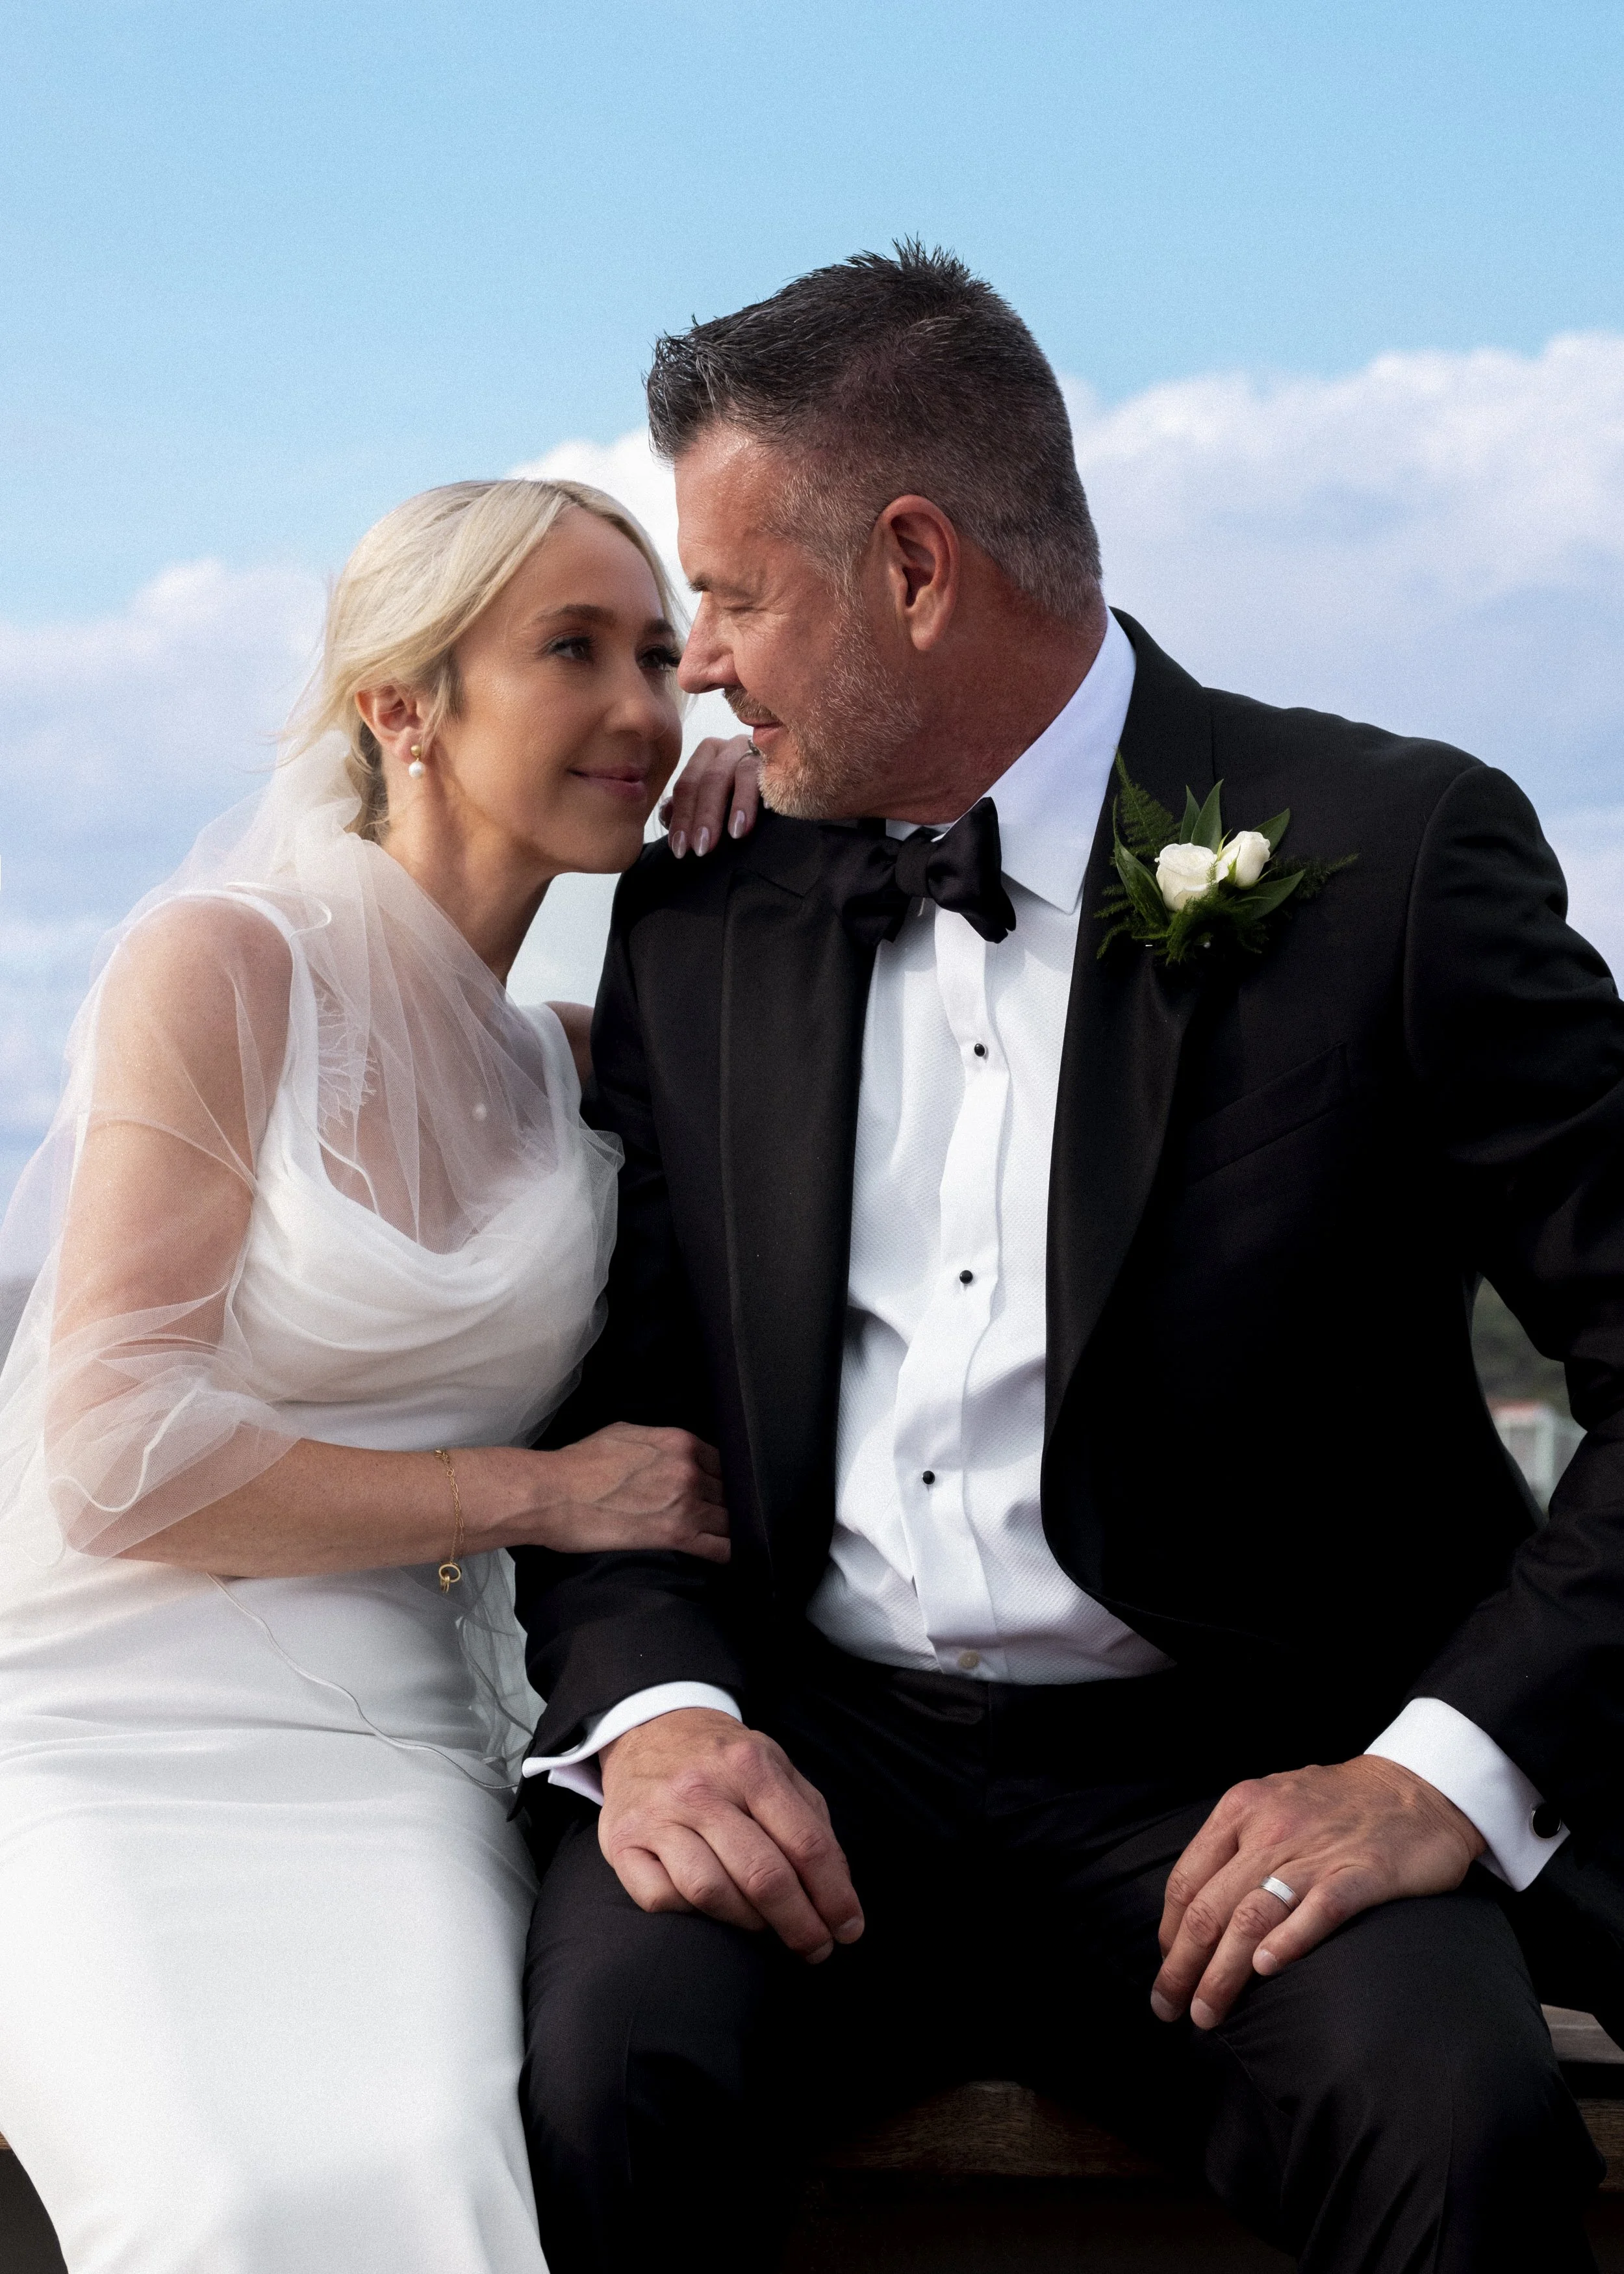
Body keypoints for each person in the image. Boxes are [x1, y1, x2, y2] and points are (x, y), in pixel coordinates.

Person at [514, 246, 1624, 2273]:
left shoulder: (1392, 855)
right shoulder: (707, 898)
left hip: (1246, 1770)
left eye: (737, 599)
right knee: (586, 2080)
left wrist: (1433, 1778)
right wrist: (661, 1711)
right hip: (813, 1758)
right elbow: (627, 1392)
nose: (702, 670)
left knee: (1460, 2140)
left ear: (913, 569)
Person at [0, 476, 754, 2273]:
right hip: (100, 1730)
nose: (641, 710)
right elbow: (113, 1451)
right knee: (220, 2201)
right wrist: (545, 1493)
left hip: (397, 1750)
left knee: (440, 2172)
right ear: (399, 705)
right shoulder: (226, 967)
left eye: (660, 656)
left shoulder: (572, 1060)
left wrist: (779, 817)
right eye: (569, 650)